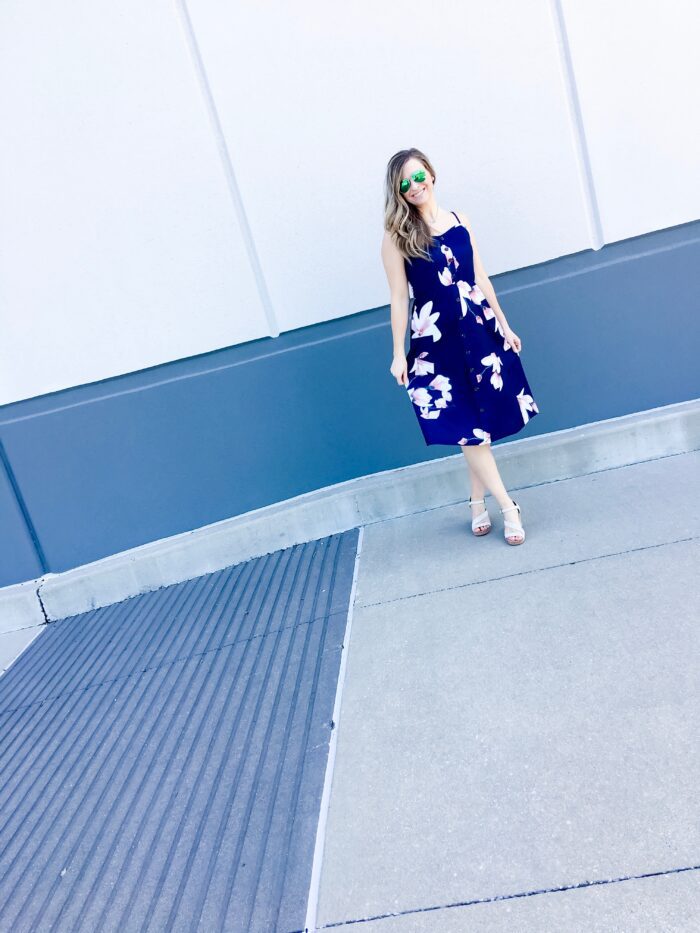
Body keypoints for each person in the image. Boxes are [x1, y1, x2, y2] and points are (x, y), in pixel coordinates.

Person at [380, 147, 540, 545]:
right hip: (438, 343)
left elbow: (480, 278)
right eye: (404, 183)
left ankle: (475, 500)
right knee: (468, 427)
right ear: (397, 191)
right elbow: (399, 297)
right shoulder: (396, 236)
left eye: (419, 177)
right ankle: (507, 506)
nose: (414, 186)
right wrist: (399, 353)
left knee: (478, 424)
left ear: (432, 175)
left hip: (478, 331)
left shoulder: (460, 220)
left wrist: (505, 324)